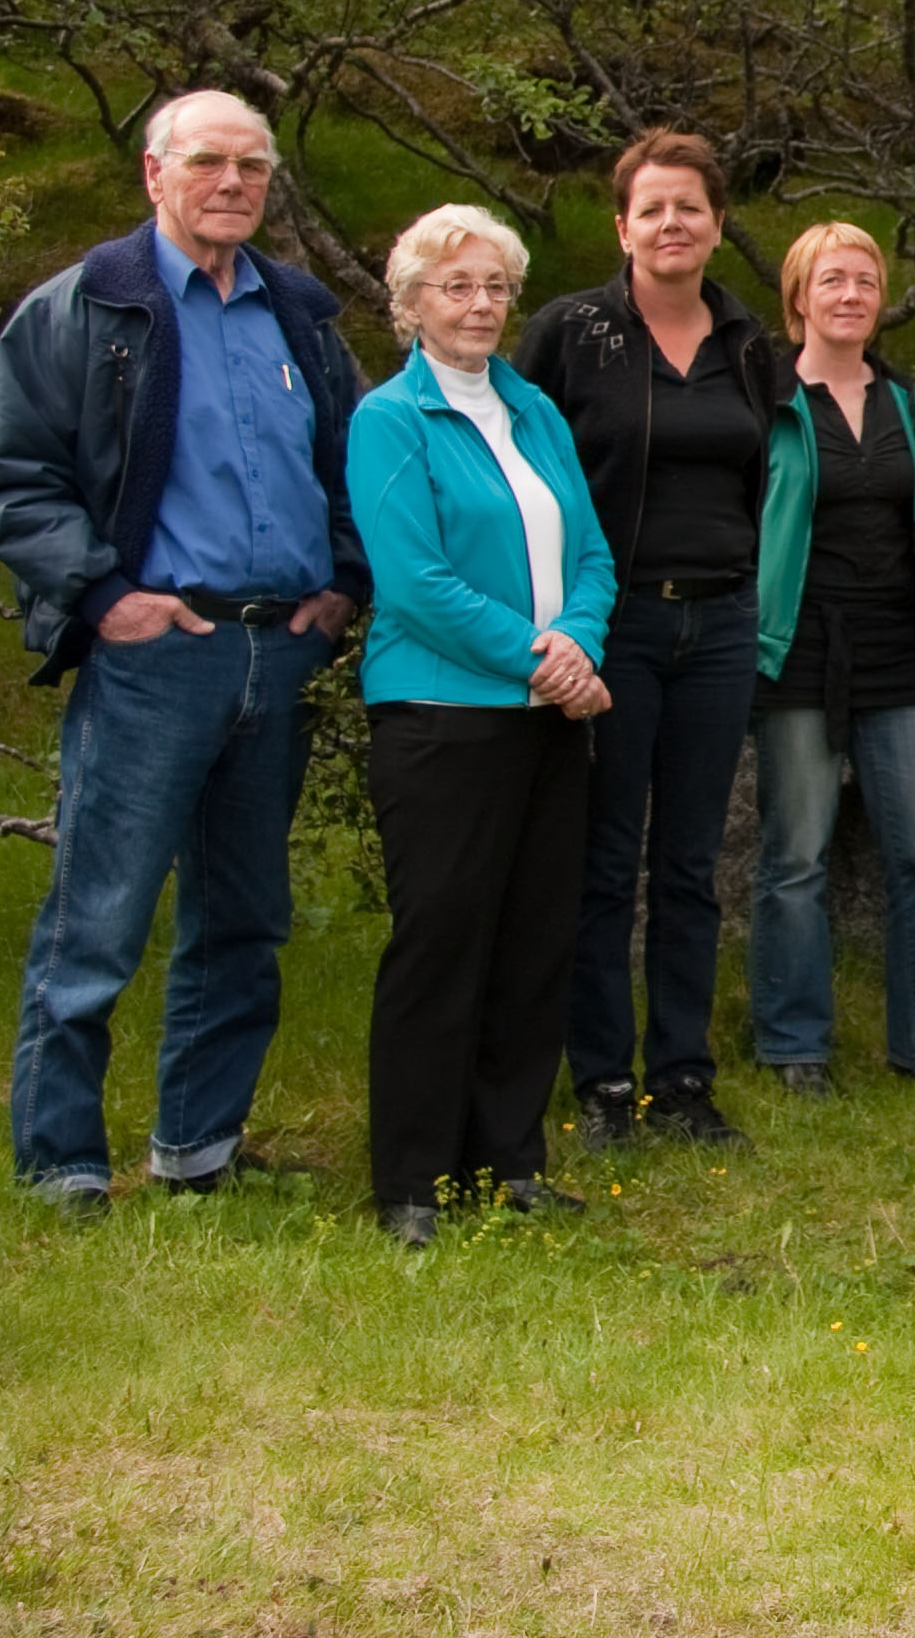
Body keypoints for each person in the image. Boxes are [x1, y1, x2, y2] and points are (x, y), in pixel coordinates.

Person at [0, 89, 367, 1215]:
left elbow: (356, 458)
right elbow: (6, 478)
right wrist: (104, 595)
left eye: (251, 166)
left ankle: (199, 1145)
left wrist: (342, 584)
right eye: (206, 162)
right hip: (155, 655)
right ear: (154, 174)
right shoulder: (86, 310)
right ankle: (61, 1161)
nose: (232, 183)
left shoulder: (300, 315)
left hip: (276, 651)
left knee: (243, 916)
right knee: (99, 915)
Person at [345, 206, 617, 1247]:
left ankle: (508, 1157)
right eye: (455, 286)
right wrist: (542, 657)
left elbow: (590, 553)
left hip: (550, 718)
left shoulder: (535, 408)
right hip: (443, 718)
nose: (479, 304)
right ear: (412, 302)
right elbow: (414, 583)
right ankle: (413, 1177)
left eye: (496, 285)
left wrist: (578, 642)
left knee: (533, 941)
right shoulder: (390, 418)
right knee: (442, 942)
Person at [514, 131, 778, 1152]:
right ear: (622, 226)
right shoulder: (572, 332)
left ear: (718, 225)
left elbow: (768, 480)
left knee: (689, 861)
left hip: (717, 625)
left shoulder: (751, 343)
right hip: (607, 625)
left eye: (693, 208)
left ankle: (681, 1075)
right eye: (653, 208)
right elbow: (521, 466)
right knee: (605, 854)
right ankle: (601, 1080)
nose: (675, 224)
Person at [747, 221, 915, 1099]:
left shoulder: (909, 400)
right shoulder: (764, 396)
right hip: (796, 648)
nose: (851, 296)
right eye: (832, 280)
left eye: (866, 281)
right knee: (796, 856)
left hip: (899, 650)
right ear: (799, 297)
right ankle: (796, 1044)